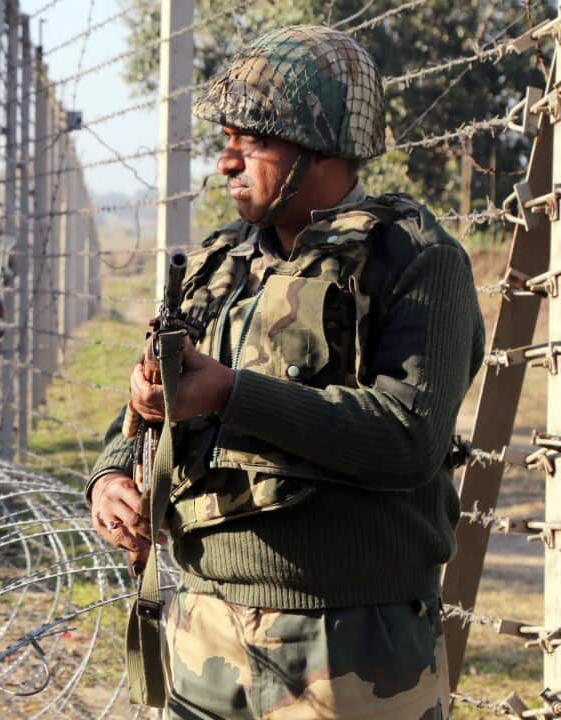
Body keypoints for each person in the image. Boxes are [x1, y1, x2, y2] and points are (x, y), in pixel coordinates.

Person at [87, 25, 484, 719]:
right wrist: (115, 469)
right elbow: (154, 395)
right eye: (227, 143)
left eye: (253, 142)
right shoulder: (219, 264)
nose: (226, 164)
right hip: (204, 626)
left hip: (350, 645)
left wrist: (234, 395)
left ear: (321, 145)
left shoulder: (416, 259)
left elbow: (409, 436)